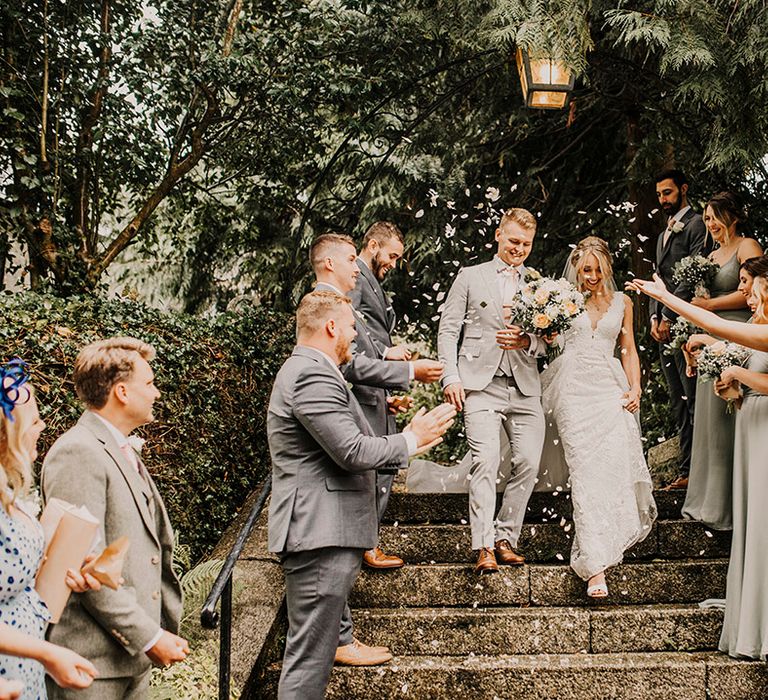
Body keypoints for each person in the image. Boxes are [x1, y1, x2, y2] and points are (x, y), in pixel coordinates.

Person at [267, 291, 455, 700]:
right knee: (308, 663)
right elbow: (351, 451)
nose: (355, 335)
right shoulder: (310, 374)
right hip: (319, 533)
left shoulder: (316, 370)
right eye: (352, 326)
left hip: (324, 531)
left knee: (312, 661)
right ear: (331, 326)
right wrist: (409, 439)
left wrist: (412, 442)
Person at [42, 339, 187, 700]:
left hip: (127, 661)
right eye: (150, 383)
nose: (156, 393)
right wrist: (149, 637)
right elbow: (84, 563)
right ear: (121, 391)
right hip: (91, 666)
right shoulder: (78, 451)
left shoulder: (117, 447)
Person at [311, 232, 442, 574]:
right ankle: (364, 543)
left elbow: (361, 350)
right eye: (350, 260)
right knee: (369, 469)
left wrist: (385, 396)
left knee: (378, 473)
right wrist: (409, 370)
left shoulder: (342, 301)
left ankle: (367, 541)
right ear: (330, 263)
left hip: (372, 395)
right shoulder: (325, 303)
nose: (356, 269)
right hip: (360, 398)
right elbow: (350, 362)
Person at [540, 238, 656, 597]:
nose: (591, 276)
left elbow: (629, 349)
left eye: (597, 269)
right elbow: (547, 342)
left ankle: (609, 539)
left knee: (613, 461)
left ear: (608, 267)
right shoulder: (562, 299)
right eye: (585, 269)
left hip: (608, 387)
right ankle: (595, 568)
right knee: (586, 469)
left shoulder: (623, 302)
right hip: (571, 388)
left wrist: (635, 388)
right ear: (576, 267)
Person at [437, 207, 548, 575]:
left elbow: (552, 340)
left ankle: (506, 537)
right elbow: (449, 330)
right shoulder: (470, 276)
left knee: (529, 463)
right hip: (479, 385)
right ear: (499, 234)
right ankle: (483, 544)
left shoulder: (538, 283)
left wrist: (527, 340)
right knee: (485, 462)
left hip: (525, 386)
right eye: (514, 241)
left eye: (527, 244)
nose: (519, 249)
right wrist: (451, 378)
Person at [0, 360, 100, 699]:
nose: (42, 426)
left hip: (26, 666)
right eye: (34, 420)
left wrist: (68, 565)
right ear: (6, 434)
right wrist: (48, 653)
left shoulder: (10, 493)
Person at [679, 193, 762, 531]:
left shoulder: (747, 246)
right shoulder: (710, 255)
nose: (710, 224)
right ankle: (707, 502)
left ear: (733, 216)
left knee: (731, 421)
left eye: (715, 217)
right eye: (707, 218)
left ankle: (733, 505)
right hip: (711, 339)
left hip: (743, 332)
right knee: (712, 422)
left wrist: (709, 307)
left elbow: (754, 289)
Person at [348, 222, 412, 570]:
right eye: (391, 255)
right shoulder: (354, 278)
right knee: (378, 465)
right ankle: (367, 543)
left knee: (385, 465)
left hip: (377, 386)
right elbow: (352, 338)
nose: (393, 264)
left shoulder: (369, 280)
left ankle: (368, 540)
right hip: (363, 387)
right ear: (372, 245)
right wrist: (386, 356)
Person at [714, 275, 768, 660]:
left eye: (754, 291)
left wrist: (738, 374)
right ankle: (751, 625)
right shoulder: (754, 327)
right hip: (750, 424)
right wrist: (731, 388)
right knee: (753, 523)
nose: (748, 297)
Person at [651, 169, 709, 490]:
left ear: (683, 190)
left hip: (684, 326)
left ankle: (697, 469)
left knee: (693, 397)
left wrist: (671, 315)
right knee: (678, 399)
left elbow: (692, 277)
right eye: (659, 194)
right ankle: (686, 468)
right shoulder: (662, 235)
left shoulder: (697, 225)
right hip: (662, 327)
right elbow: (659, 276)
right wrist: (652, 317)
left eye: (668, 193)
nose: (663, 200)